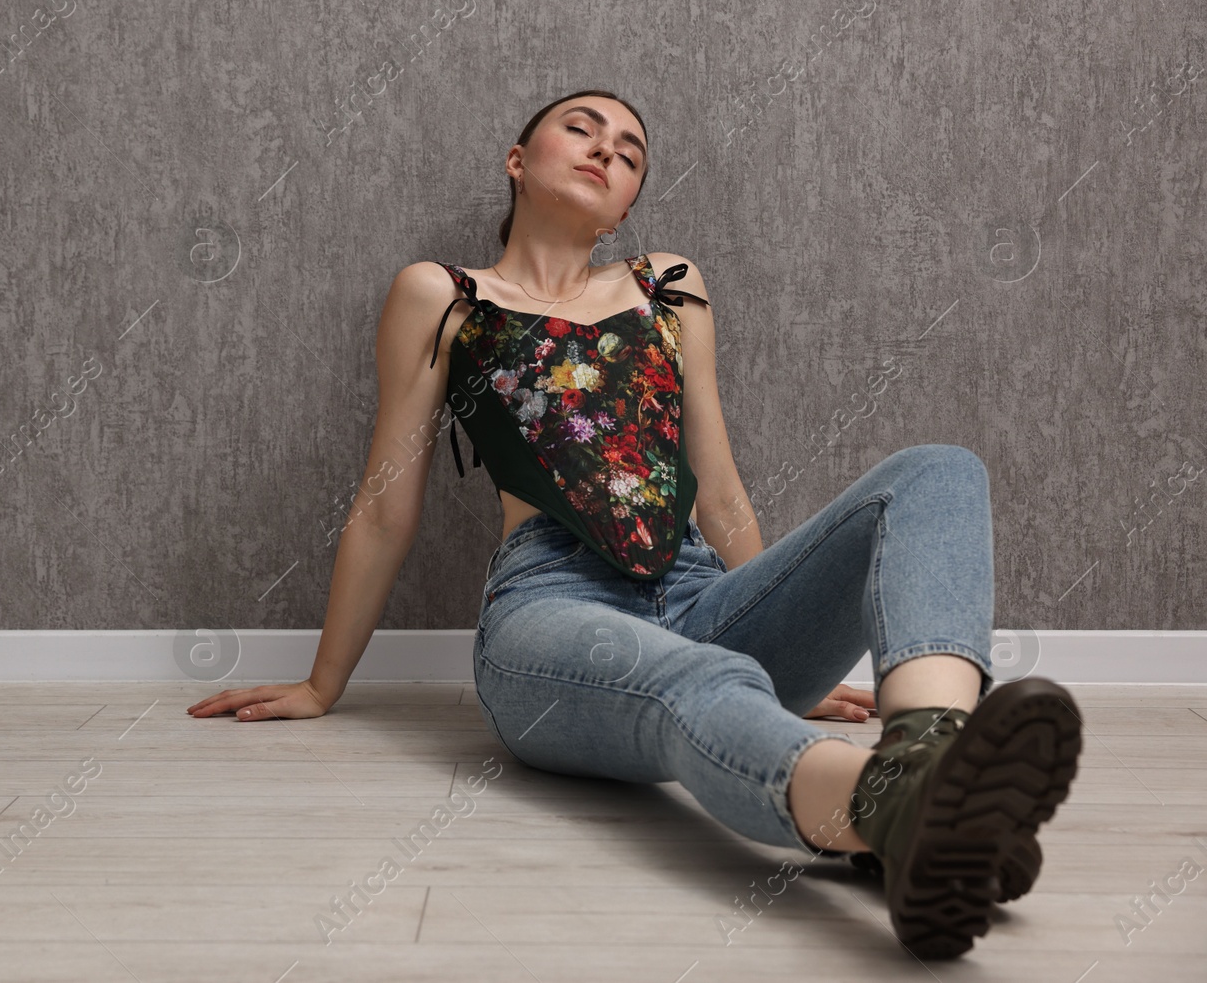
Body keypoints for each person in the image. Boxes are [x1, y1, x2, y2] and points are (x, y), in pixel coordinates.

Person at [188, 90, 1085, 959]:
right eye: (582, 130)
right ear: (518, 162)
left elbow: (721, 491)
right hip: (551, 606)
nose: (606, 150)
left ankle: (930, 753)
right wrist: (322, 683)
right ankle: (888, 812)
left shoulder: (671, 287)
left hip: (701, 587)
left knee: (937, 471)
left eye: (628, 152)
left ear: (624, 204)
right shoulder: (446, 294)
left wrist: (792, 644)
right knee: (707, 675)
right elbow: (387, 501)